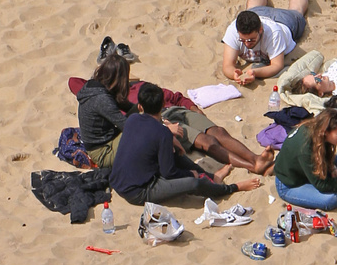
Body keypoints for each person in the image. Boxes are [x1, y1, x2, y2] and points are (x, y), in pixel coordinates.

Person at [73, 57, 275, 174]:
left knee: (218, 131)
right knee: (206, 140)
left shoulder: (129, 90)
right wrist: (161, 127)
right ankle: (253, 166)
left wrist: (187, 108)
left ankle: (256, 158)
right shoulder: (102, 98)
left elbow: (170, 96)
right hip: (122, 137)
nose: (129, 80)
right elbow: (131, 127)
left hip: (166, 112)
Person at [109, 82, 260, 206]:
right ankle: (232, 188)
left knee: (176, 154)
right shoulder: (162, 134)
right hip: (138, 191)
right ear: (163, 105)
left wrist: (170, 140)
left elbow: (153, 134)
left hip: (119, 181)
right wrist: (189, 173)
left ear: (140, 107)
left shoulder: (133, 120)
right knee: (193, 184)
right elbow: (169, 172)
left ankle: (213, 177)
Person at [273, 109, 337, 211]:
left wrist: (333, 168)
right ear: (325, 132)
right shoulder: (306, 149)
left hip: (308, 170)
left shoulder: (316, 130)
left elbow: (324, 155)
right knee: (332, 199)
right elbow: (321, 185)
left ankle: (335, 187)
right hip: (290, 184)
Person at [222, 0, 315, 84]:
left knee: (297, 10)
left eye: (251, 39)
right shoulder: (233, 30)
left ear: (260, 30)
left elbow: (276, 65)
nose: (247, 43)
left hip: (284, 22)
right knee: (253, 8)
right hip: (259, 14)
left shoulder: (274, 34)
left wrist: (254, 73)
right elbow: (227, 65)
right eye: (242, 40)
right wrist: (234, 74)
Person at [76, 53, 138, 168]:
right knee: (144, 136)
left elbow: (126, 106)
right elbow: (128, 127)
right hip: (103, 152)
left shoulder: (95, 86)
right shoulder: (102, 100)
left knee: (141, 116)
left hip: (103, 142)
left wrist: (142, 108)